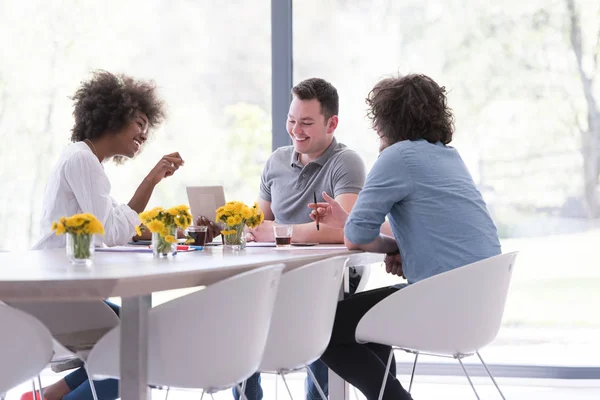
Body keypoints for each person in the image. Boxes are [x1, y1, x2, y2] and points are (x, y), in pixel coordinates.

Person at [309, 74, 502, 400]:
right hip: (479, 305)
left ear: (387, 121)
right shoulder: (448, 157)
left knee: (318, 330)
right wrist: (395, 247)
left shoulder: (397, 157)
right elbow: (432, 231)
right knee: (367, 324)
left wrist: (367, 235)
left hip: (441, 302)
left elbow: (355, 239)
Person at [22, 70, 182, 400]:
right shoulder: (83, 159)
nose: (144, 134)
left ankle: (47, 396)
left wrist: (135, 226)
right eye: (139, 123)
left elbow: (109, 225)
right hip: (55, 292)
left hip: (62, 285)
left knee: (140, 335)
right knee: (140, 345)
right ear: (114, 115)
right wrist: (151, 179)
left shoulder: (85, 158)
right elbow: (112, 231)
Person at [231, 77, 367, 400]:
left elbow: (347, 231)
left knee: (320, 312)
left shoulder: (345, 163)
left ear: (332, 123)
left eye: (306, 123)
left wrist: (281, 232)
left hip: (326, 283)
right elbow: (260, 223)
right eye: (291, 121)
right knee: (233, 310)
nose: (296, 130)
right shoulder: (275, 161)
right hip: (274, 278)